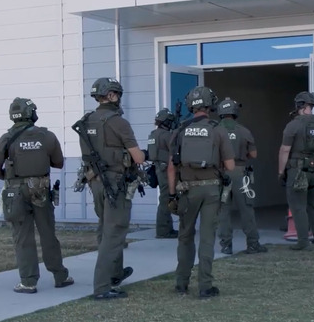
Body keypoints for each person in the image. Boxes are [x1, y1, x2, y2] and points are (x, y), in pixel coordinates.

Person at [0, 97, 73, 294]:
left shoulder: (5, 139)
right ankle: (60, 276)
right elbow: (59, 162)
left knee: (22, 237)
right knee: (48, 234)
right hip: (41, 190)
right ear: (30, 113)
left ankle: (28, 282)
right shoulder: (47, 136)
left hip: (15, 193)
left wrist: (12, 180)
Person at [75, 77, 146, 300]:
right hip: (115, 183)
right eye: (118, 94)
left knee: (105, 228)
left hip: (95, 182)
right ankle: (102, 286)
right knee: (114, 233)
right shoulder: (118, 122)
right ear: (112, 95)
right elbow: (138, 157)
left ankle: (115, 273)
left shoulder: (86, 121)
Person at [167, 86, 235, 298]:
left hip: (187, 190)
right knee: (207, 238)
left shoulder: (179, 131)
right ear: (210, 104)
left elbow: (171, 167)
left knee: (185, 237)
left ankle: (181, 284)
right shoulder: (218, 129)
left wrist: (171, 194)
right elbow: (231, 166)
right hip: (211, 190)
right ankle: (205, 286)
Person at [216, 98, 268, 255]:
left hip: (220, 173)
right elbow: (253, 153)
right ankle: (253, 243)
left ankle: (226, 245)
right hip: (239, 173)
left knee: (223, 210)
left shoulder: (215, 131)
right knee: (246, 208)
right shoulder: (243, 131)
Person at [277, 91, 314, 250]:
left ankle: (303, 241)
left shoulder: (294, 125)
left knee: (298, 206)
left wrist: (281, 171)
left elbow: (285, 150)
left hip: (297, 170)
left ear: (299, 105)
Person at [147, 108, 179, 239]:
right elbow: (175, 152)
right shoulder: (167, 135)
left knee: (164, 198)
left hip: (158, 168)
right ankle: (163, 230)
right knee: (166, 199)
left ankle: (166, 228)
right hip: (166, 170)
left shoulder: (153, 134)